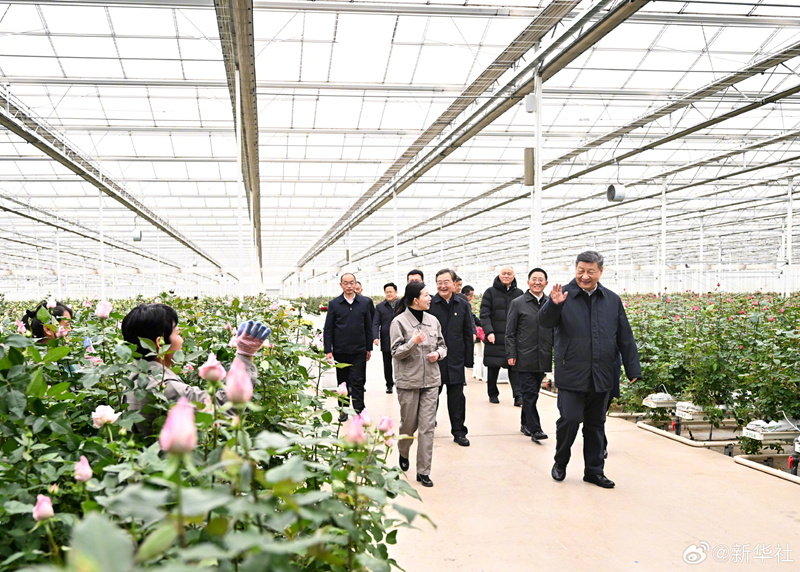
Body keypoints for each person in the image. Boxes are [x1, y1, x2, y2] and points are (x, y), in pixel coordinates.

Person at [539, 251, 641, 489]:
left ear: (600, 272)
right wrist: (552, 306)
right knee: (570, 419)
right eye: (580, 270)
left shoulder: (612, 300)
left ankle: (594, 471)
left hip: (602, 373)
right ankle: (561, 461)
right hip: (571, 371)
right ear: (575, 270)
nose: (585, 276)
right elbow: (544, 323)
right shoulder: (562, 295)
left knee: (596, 425)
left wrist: (632, 367)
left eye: (590, 271)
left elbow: (625, 336)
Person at [121, 303, 269, 433]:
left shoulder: (133, 379)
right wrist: (245, 355)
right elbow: (223, 409)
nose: (182, 339)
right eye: (178, 333)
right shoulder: (162, 386)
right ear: (160, 343)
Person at [391, 281, 446, 488]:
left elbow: (443, 346)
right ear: (415, 300)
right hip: (409, 382)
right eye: (426, 295)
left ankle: (424, 471)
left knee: (427, 427)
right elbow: (396, 352)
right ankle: (403, 451)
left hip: (431, 381)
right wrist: (412, 342)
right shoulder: (399, 322)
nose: (430, 298)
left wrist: (438, 354)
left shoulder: (433, 321)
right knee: (409, 425)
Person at [506, 268, 553, 442]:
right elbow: (510, 331)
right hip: (524, 355)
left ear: (546, 283)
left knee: (532, 393)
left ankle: (525, 423)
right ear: (528, 282)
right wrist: (511, 352)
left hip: (543, 355)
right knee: (529, 392)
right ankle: (536, 429)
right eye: (534, 279)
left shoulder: (551, 303)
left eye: (541, 279)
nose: (537, 282)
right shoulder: (518, 303)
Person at [427, 269, 473, 447]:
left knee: (457, 398)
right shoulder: (430, 304)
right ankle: (428, 428)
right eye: (439, 282)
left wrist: (468, 361)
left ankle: (459, 432)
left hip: (455, 358)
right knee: (431, 396)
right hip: (434, 359)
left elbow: (468, 332)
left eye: (446, 282)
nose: (442, 285)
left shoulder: (463, 305)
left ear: (454, 284)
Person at [324, 273, 373, 421]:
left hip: (359, 350)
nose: (349, 286)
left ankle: (359, 412)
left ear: (356, 284)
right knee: (342, 383)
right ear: (341, 285)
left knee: (358, 381)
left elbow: (368, 327)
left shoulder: (364, 303)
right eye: (346, 283)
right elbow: (329, 328)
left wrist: (368, 348)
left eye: (352, 283)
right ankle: (343, 411)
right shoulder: (334, 304)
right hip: (341, 351)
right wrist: (328, 350)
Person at [480, 266, 523, 405]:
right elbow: (484, 314)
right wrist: (489, 331)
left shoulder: (519, 293)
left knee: (514, 367)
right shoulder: (490, 292)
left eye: (509, 273)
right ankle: (492, 393)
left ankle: (518, 396)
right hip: (495, 336)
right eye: (504, 273)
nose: (506, 276)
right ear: (499, 275)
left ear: (513, 275)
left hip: (512, 337)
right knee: (493, 367)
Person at [373, 282, 399, 394]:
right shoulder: (380, 307)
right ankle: (389, 384)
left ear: (396, 292)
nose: (389, 294)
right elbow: (375, 323)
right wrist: (375, 337)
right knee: (387, 363)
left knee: (401, 362)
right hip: (386, 338)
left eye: (391, 292)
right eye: (387, 292)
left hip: (400, 338)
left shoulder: (402, 304)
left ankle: (401, 382)